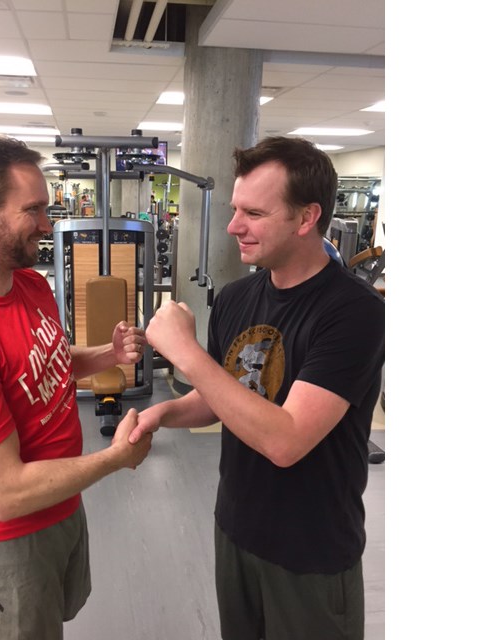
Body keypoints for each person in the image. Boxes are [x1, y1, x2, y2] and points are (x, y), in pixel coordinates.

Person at [129, 136, 384, 639]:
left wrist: (184, 352)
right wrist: (162, 415)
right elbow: (226, 396)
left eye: (254, 213)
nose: (233, 226)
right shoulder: (237, 296)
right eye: (235, 209)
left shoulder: (354, 312)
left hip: (311, 553)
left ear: (306, 218)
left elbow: (285, 441)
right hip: (237, 529)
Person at [0, 134, 153, 640]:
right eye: (34, 210)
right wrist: (114, 459)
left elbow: (46, 362)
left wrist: (107, 356)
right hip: (5, 538)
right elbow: (3, 493)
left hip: (60, 504)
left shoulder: (29, 285)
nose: (48, 224)